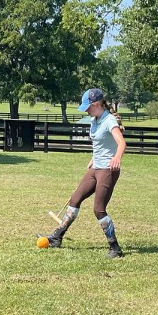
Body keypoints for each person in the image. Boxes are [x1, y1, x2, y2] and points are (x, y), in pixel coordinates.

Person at [45, 88, 128, 258]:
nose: (86, 110)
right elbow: (100, 143)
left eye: (88, 107)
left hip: (108, 170)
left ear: (96, 104)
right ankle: (57, 237)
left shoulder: (109, 120)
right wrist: (93, 158)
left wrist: (117, 158)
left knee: (98, 209)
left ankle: (115, 248)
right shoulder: (94, 119)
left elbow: (121, 143)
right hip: (95, 167)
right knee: (75, 199)